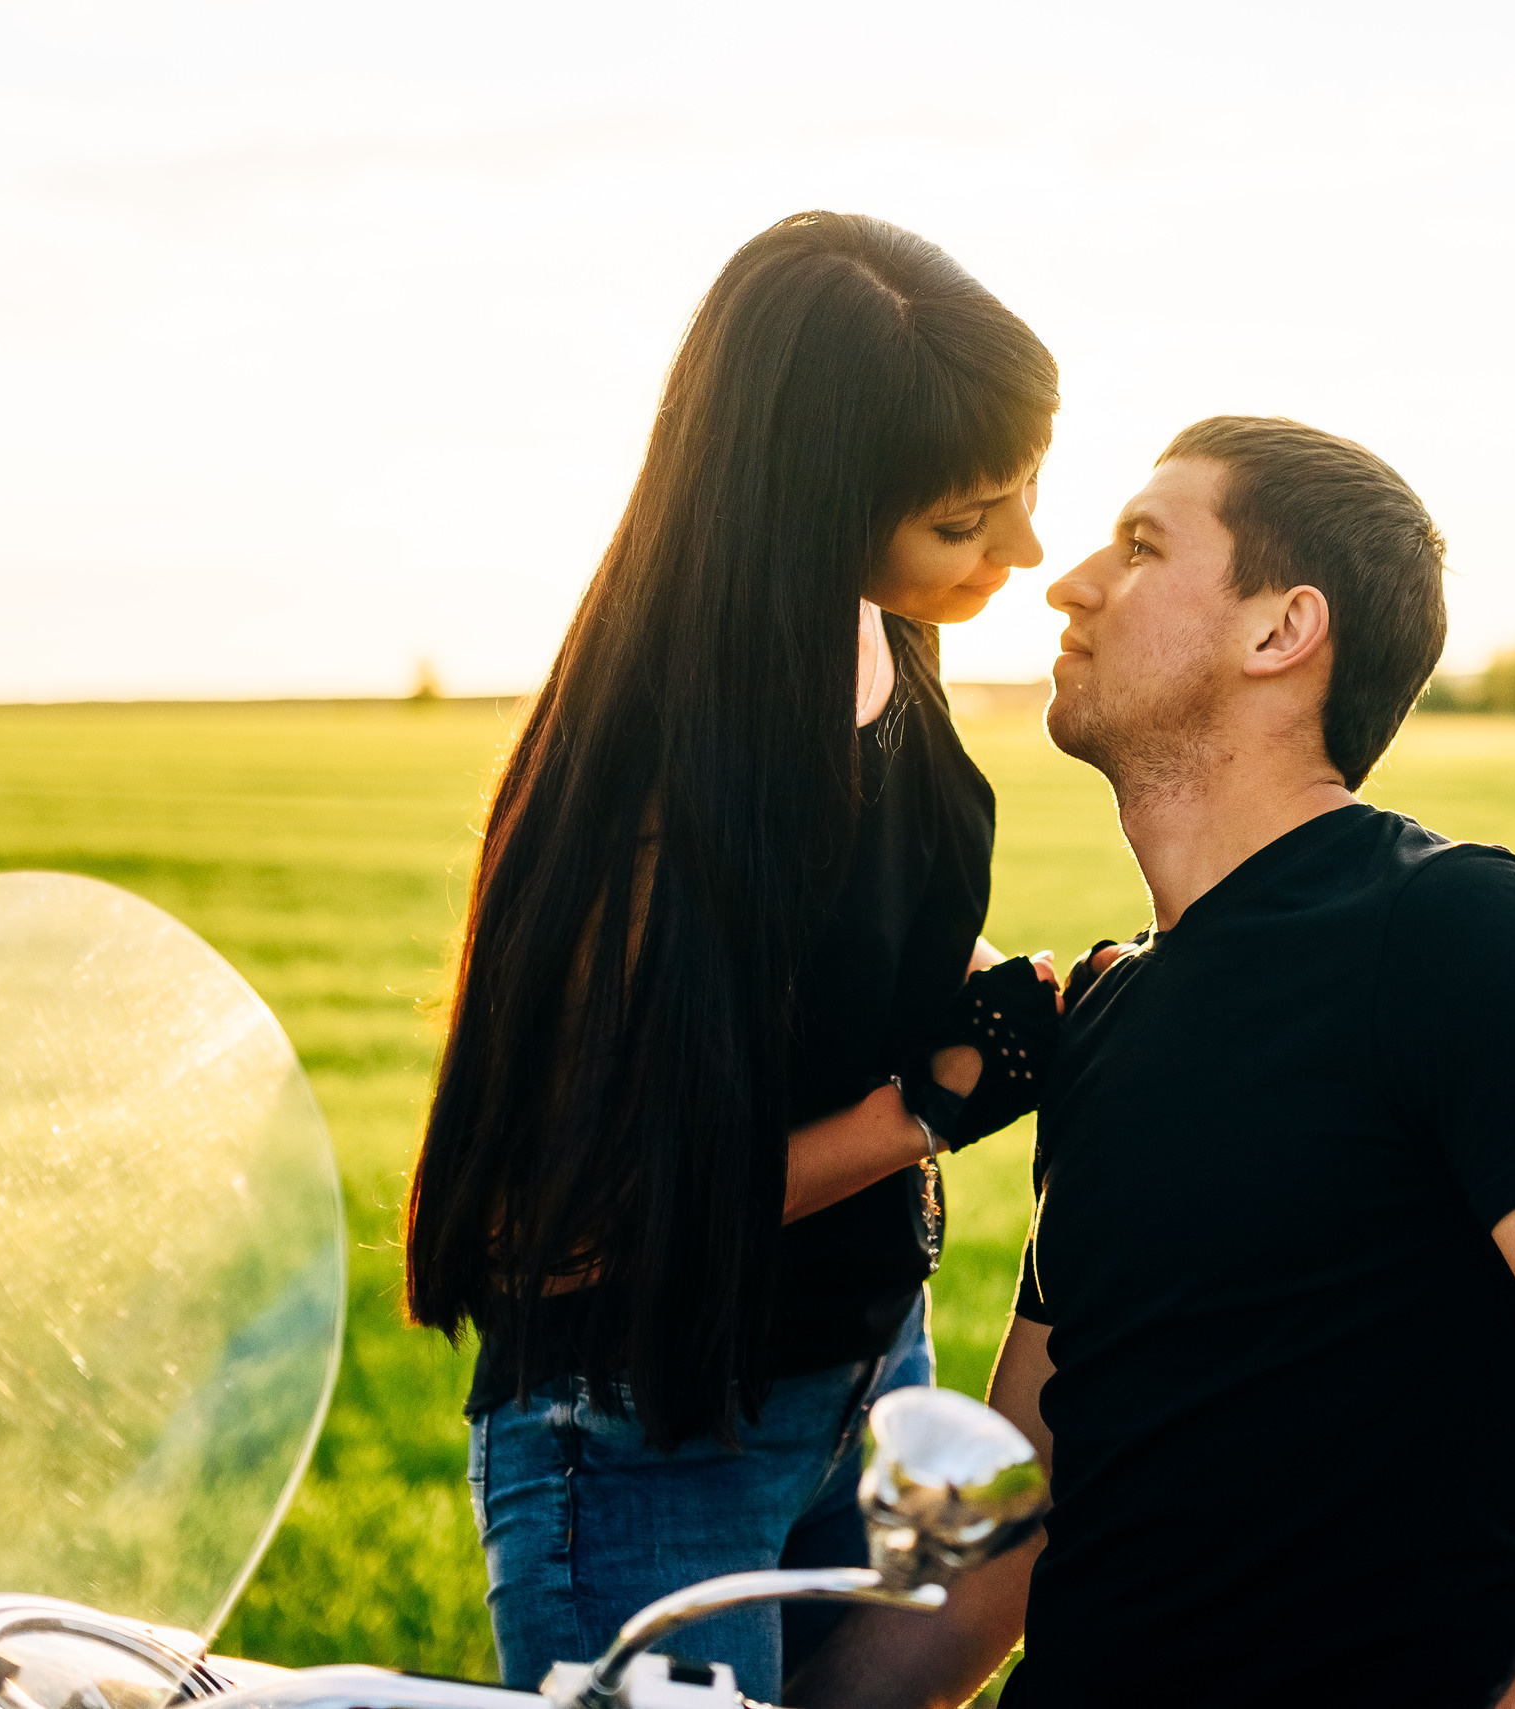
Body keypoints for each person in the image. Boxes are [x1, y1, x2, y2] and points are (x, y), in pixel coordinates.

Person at [790, 417, 1515, 1708]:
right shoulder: (1110, 1011)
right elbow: (1018, 1513)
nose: (1067, 582)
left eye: (1141, 546)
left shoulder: (1454, 934)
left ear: (1280, 630)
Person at [401, 211, 1069, 1703]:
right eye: (968, 519)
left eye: (1023, 489)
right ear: (813, 509)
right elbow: (607, 1213)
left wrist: (1025, 991)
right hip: (648, 1431)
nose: (1025, 551)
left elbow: (858, 928)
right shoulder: (661, 787)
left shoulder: (880, 627)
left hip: (853, 1368)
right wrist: (933, 1102)